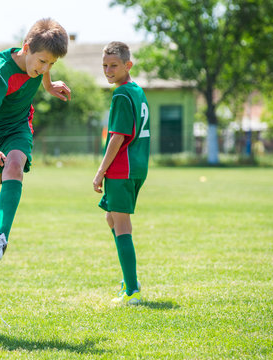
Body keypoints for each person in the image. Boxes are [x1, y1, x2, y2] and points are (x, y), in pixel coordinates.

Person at [0, 18, 71, 333]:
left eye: (50, 64)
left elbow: (42, 72)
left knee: (15, 165)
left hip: (19, 128)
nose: (44, 67)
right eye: (41, 62)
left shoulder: (39, 62)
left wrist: (50, 85)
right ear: (25, 48)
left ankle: (2, 238)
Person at [92, 41, 150, 305]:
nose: (108, 70)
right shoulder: (137, 91)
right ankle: (130, 280)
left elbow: (117, 137)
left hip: (122, 168)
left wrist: (100, 171)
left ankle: (132, 291)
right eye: (104, 65)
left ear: (128, 65)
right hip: (136, 167)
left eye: (113, 65)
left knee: (122, 225)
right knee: (112, 219)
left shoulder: (121, 95)